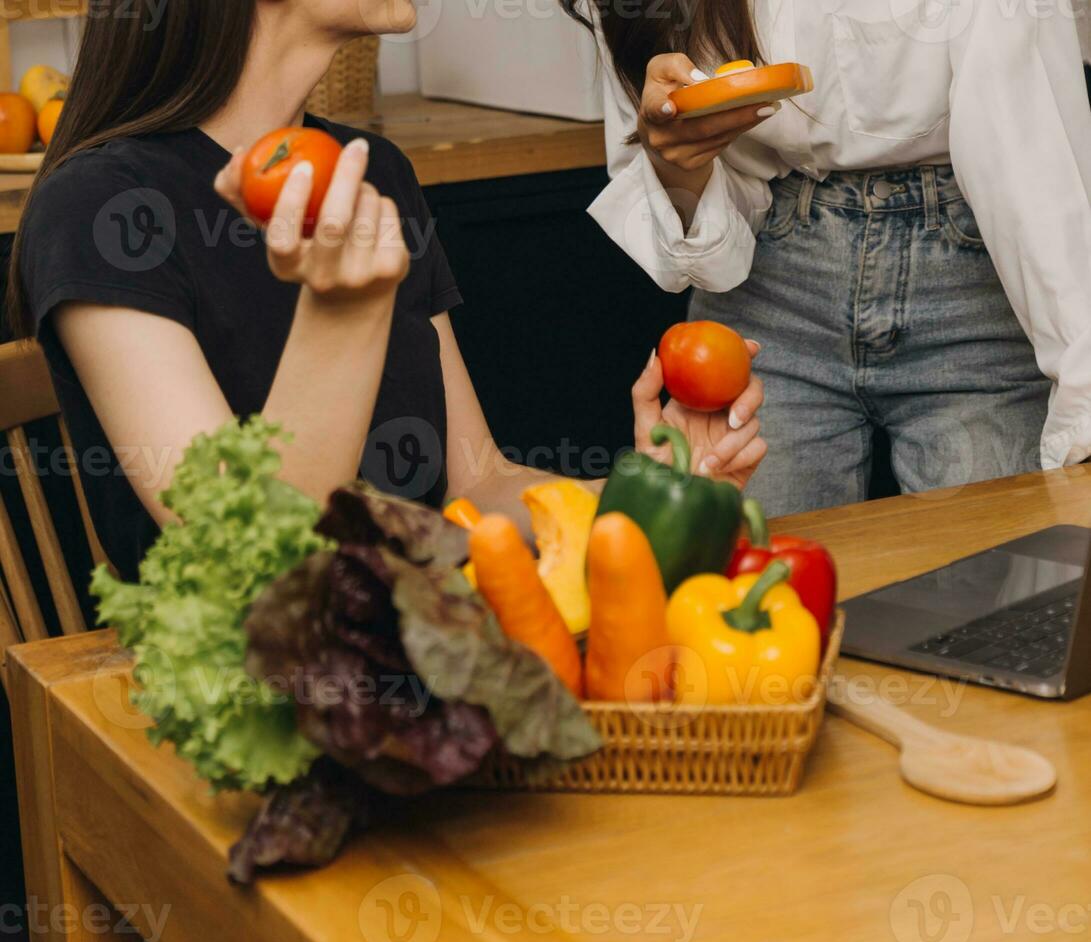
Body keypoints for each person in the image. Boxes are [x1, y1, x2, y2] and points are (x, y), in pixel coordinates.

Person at [6, 0, 766, 582]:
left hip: (411, 669)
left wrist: (651, 494)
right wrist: (342, 314)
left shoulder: (373, 169)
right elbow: (244, 565)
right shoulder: (101, 208)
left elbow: (477, 484)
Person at [569, 0, 1091, 516]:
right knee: (746, 580)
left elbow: (1032, 166)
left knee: (993, 584)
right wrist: (676, 163)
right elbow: (691, 251)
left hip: (976, 277)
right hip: (765, 289)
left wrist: (1083, 396)